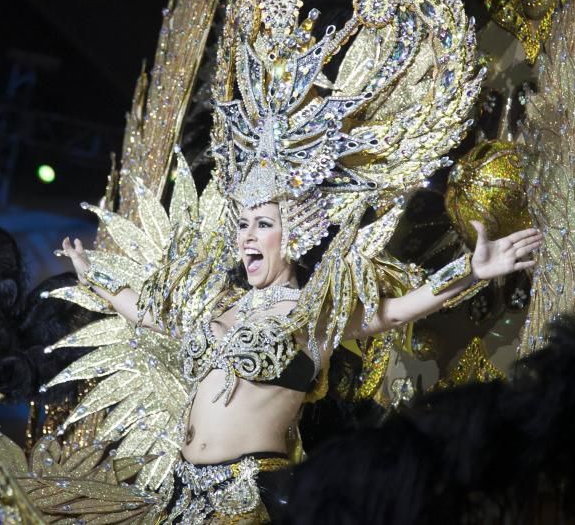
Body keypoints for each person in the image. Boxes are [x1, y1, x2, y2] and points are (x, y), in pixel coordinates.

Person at [60, 201, 542, 522]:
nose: (247, 235)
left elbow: (392, 312)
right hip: (180, 489)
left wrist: (468, 272)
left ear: (295, 236)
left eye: (263, 224)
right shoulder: (217, 305)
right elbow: (149, 315)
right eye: (242, 223)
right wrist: (93, 278)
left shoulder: (313, 311)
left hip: (246, 496)